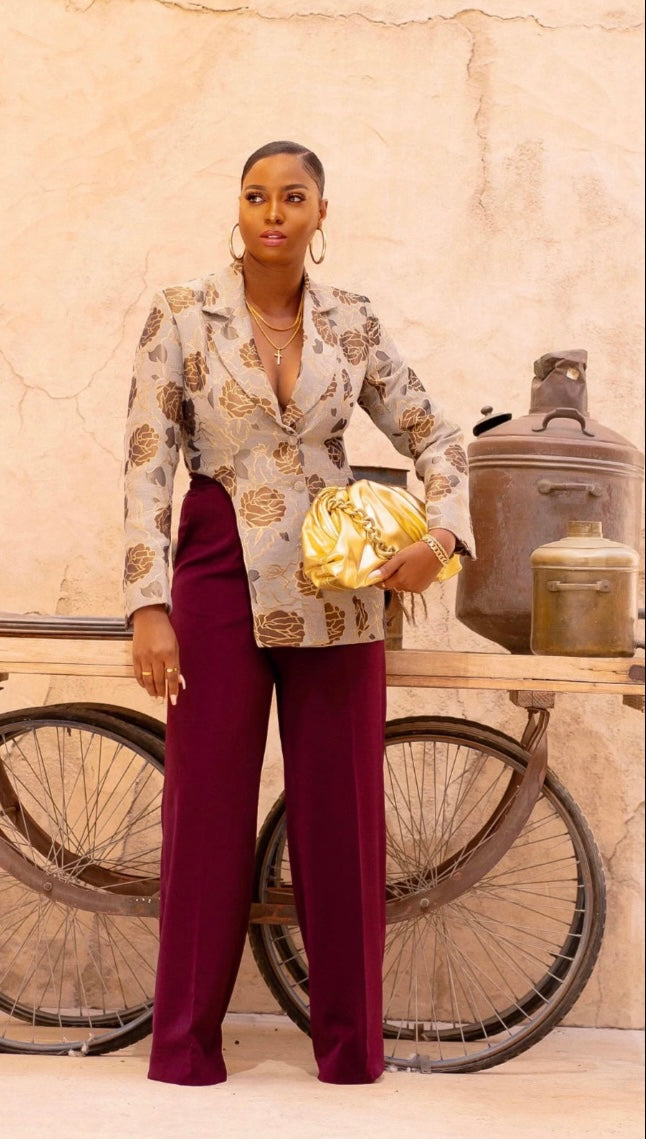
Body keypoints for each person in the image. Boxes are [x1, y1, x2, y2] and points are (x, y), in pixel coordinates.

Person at [123, 140, 474, 1086]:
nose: (271, 212)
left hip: (339, 582)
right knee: (205, 815)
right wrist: (146, 604)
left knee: (343, 821)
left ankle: (352, 1053)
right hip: (215, 565)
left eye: (292, 197)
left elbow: (438, 435)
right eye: (254, 196)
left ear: (322, 214)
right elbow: (149, 461)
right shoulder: (179, 317)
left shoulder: (352, 325)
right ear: (236, 209)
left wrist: (439, 540)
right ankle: (187, 1050)